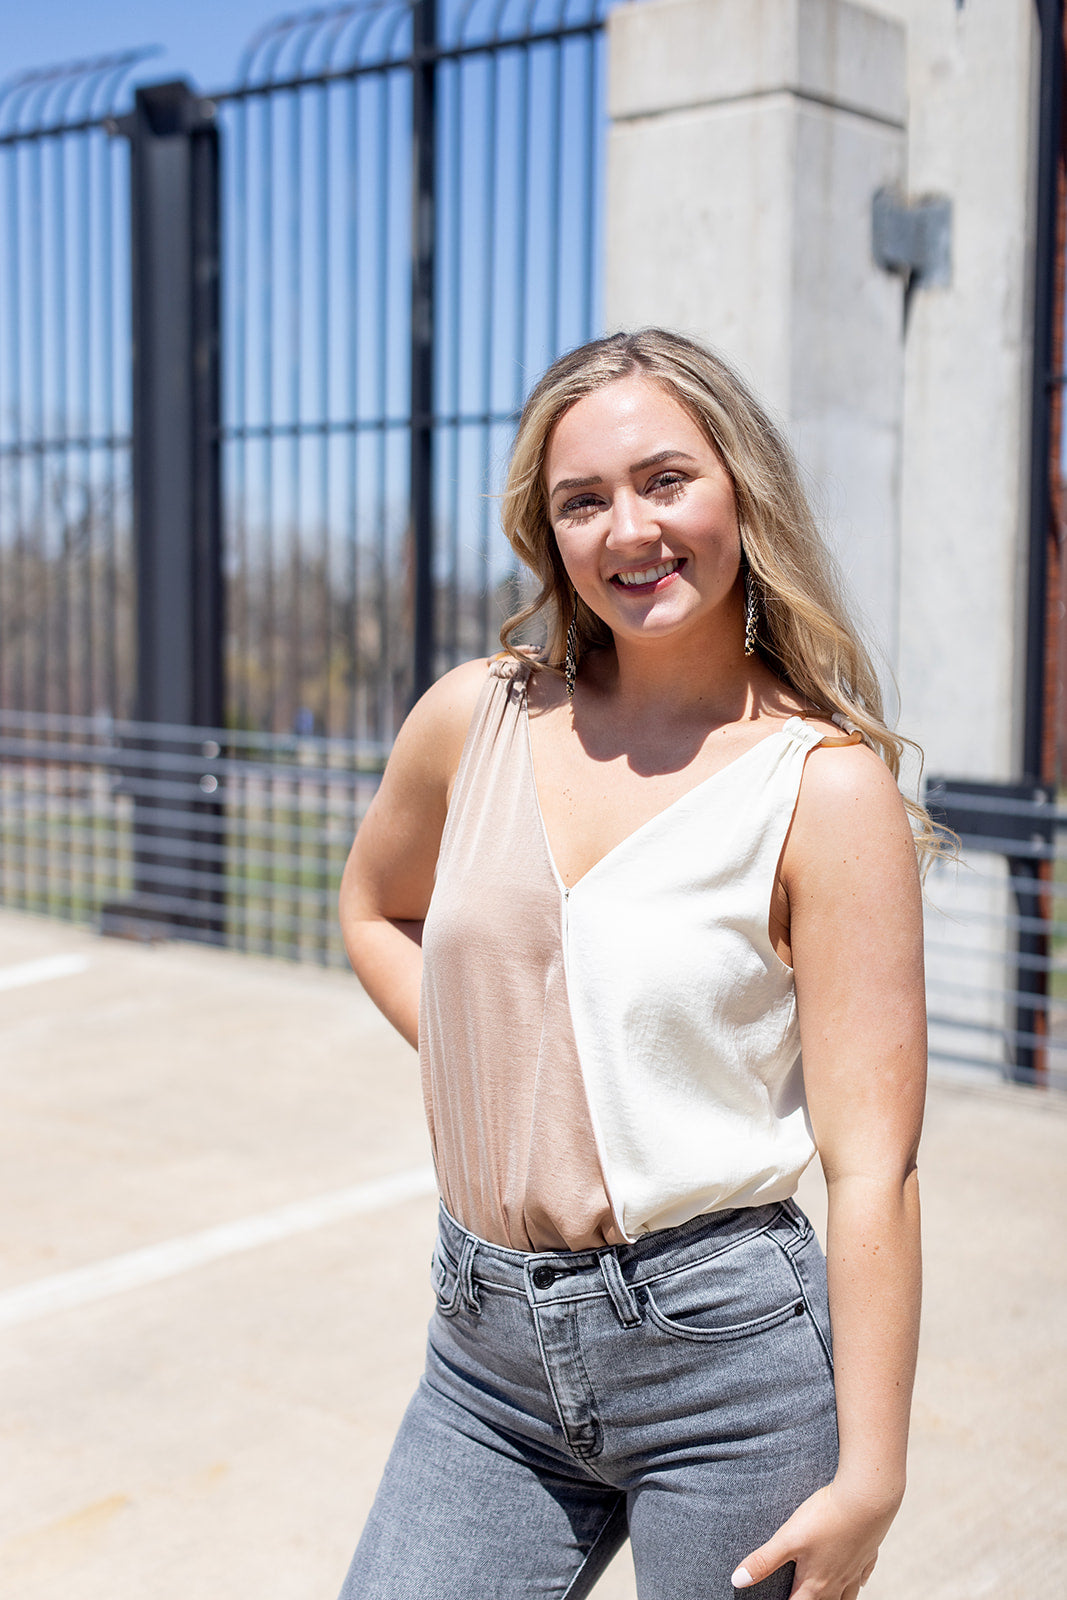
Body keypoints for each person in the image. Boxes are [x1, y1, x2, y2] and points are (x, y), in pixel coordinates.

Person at [335, 328, 932, 1600]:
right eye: (582, 500)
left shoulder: (822, 791)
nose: (627, 529)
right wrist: (493, 1068)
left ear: (740, 490)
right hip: (482, 1352)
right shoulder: (475, 717)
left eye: (665, 479)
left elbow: (871, 1162)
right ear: (547, 533)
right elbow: (373, 910)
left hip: (724, 1361)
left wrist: (870, 1475)